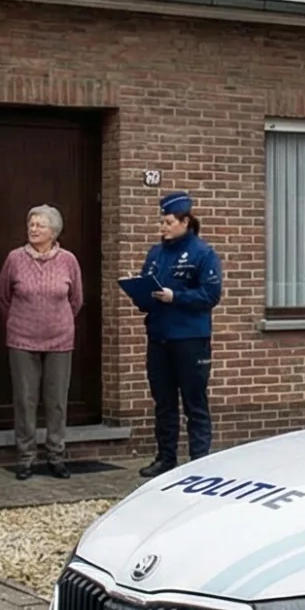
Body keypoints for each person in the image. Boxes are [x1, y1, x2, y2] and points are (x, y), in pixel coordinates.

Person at [0, 204, 85, 480]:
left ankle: (56, 455)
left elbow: (76, 299)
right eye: (31, 224)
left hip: (60, 339)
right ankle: (26, 457)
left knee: (56, 401)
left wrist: (57, 321)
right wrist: (18, 321)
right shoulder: (15, 258)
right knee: (25, 399)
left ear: (53, 232)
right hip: (22, 338)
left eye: (40, 225)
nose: (33, 229)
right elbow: (2, 297)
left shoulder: (68, 260)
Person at [134, 191, 221, 477]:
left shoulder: (203, 253)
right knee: (164, 402)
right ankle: (165, 458)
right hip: (159, 338)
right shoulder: (156, 254)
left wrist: (176, 297)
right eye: (162, 222)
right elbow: (147, 290)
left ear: (185, 222)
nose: (163, 227)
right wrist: (140, 293)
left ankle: (199, 461)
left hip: (190, 340)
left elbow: (210, 295)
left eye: (169, 222)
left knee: (195, 402)